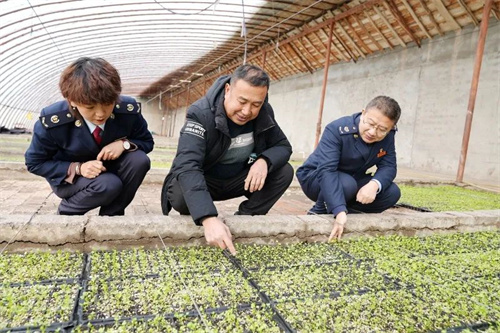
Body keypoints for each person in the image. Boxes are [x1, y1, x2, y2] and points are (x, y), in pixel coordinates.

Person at [161, 64, 293, 254]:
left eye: (256, 104)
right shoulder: (201, 113)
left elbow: (283, 146)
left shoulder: (264, 112)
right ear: (228, 90)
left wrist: (264, 161)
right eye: (242, 101)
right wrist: (208, 217)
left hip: (238, 179)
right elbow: (188, 165)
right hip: (206, 180)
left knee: (284, 171)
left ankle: (246, 218)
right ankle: (205, 220)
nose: (247, 111)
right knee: (181, 193)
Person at [25, 57, 154, 216]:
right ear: (72, 101)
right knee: (108, 184)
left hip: (110, 169)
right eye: (90, 107)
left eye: (108, 104)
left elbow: (147, 141)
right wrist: (78, 168)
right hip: (72, 178)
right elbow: (34, 163)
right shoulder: (54, 121)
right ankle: (67, 212)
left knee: (139, 160)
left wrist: (123, 144)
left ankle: (112, 217)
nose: (100, 114)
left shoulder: (127, 111)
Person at [296, 96, 401, 241]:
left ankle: (346, 211)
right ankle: (318, 212)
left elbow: (389, 166)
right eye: (370, 123)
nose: (372, 132)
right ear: (363, 113)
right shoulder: (337, 129)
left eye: (382, 130)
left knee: (392, 192)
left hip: (352, 179)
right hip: (316, 178)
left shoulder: (388, 136)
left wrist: (374, 184)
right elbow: (327, 171)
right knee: (346, 184)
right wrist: (338, 211)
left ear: (390, 128)